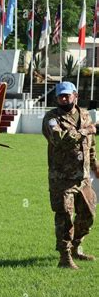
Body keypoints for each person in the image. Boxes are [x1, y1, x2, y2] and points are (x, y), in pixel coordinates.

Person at [42, 81, 97, 269]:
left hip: (83, 177)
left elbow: (91, 144)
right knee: (64, 216)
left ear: (75, 96)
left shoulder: (85, 115)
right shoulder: (52, 118)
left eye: (67, 95)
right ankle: (64, 257)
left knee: (88, 215)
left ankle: (76, 247)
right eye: (60, 96)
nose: (63, 99)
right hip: (62, 179)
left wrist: (95, 165)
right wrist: (86, 131)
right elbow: (60, 140)